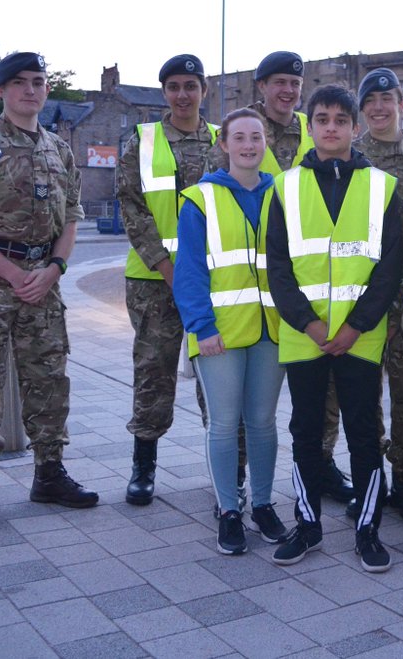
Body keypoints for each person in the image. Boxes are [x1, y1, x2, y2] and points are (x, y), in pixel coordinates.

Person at [0, 52, 98, 530]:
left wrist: (54, 268)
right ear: (0, 91)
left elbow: (70, 217)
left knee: (49, 379)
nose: (31, 90)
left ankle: (49, 473)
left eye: (39, 82)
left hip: (43, 281)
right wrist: (12, 275)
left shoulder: (58, 148)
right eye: (20, 83)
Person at [207, 51, 354, 508]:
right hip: (244, 304)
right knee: (234, 413)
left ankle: (316, 470)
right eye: (279, 82)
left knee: (306, 405)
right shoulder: (243, 134)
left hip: (299, 301)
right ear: (261, 87)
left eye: (295, 82)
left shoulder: (314, 134)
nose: (288, 90)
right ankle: (231, 487)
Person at [267, 85, 403, 573]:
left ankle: (368, 530)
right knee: (306, 432)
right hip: (305, 335)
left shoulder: (383, 187)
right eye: (321, 118)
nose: (330, 127)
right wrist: (308, 321)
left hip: (360, 336)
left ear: (353, 127)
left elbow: (391, 266)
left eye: (340, 120)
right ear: (310, 125)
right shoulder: (284, 187)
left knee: (364, 434)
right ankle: (307, 525)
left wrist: (355, 325)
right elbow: (277, 268)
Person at [175, 108, 287, 554]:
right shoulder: (200, 199)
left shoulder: (282, 195)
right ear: (223, 144)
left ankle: (262, 505)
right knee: (223, 425)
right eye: (238, 137)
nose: (248, 145)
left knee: (262, 423)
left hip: (271, 330)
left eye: (256, 137)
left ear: (266, 143)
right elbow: (189, 272)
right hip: (218, 332)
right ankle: (228, 511)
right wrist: (201, 327)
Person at [116, 54, 218, 509]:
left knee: (215, 376)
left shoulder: (222, 141)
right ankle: (144, 467)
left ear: (204, 90)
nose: (183, 95)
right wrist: (166, 266)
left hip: (214, 281)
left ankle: (223, 469)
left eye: (190, 86)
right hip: (154, 281)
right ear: (164, 93)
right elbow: (132, 209)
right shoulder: (143, 140)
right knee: (153, 372)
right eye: (174, 86)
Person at [350, 68, 403, 523]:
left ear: (402, 102)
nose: (379, 107)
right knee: (360, 397)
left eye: (387, 98)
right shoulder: (349, 155)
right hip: (357, 299)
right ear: (361, 109)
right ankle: (367, 480)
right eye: (370, 101)